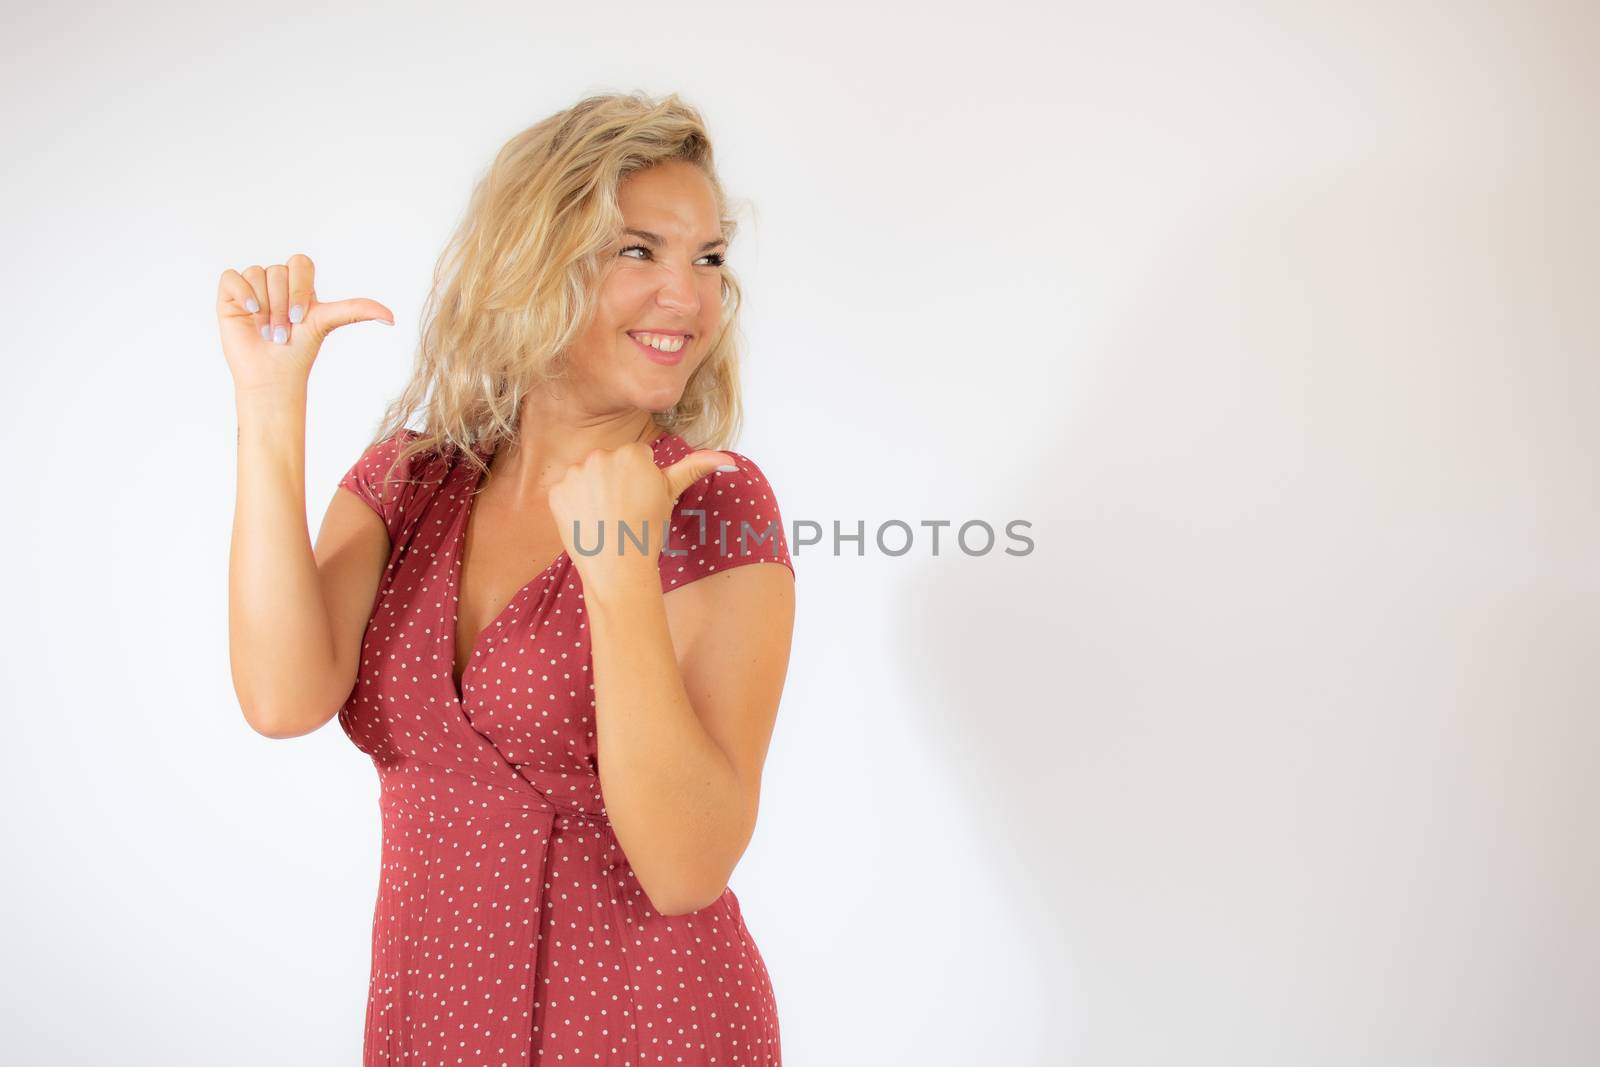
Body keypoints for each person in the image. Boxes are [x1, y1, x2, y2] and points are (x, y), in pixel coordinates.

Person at [220, 91, 795, 1065]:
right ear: (534, 259)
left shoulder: (709, 504)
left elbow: (687, 865)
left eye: (707, 258)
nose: (688, 295)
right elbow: (281, 697)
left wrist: (616, 581)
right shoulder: (408, 484)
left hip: (640, 1026)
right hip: (428, 1018)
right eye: (639, 250)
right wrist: (271, 406)